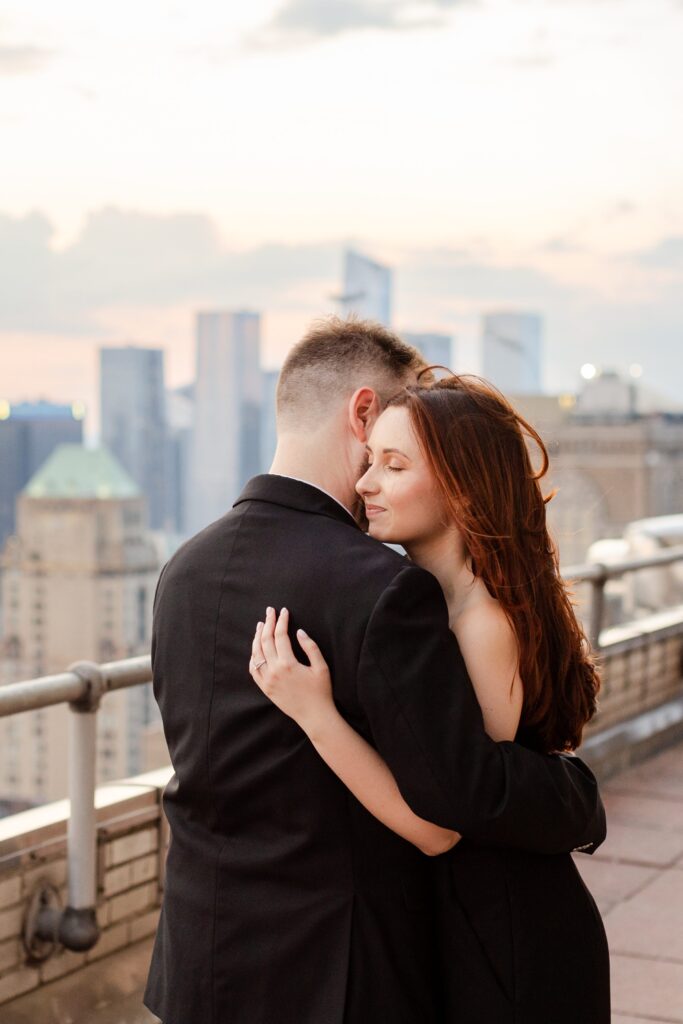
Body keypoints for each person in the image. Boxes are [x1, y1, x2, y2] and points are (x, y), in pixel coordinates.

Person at [143, 316, 606, 1024]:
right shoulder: (381, 586)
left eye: (399, 463)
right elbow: (455, 802)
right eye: (380, 452)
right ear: (362, 412)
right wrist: (571, 793)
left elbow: (456, 785)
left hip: (202, 961)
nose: (373, 479)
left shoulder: (182, 570)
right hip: (337, 967)